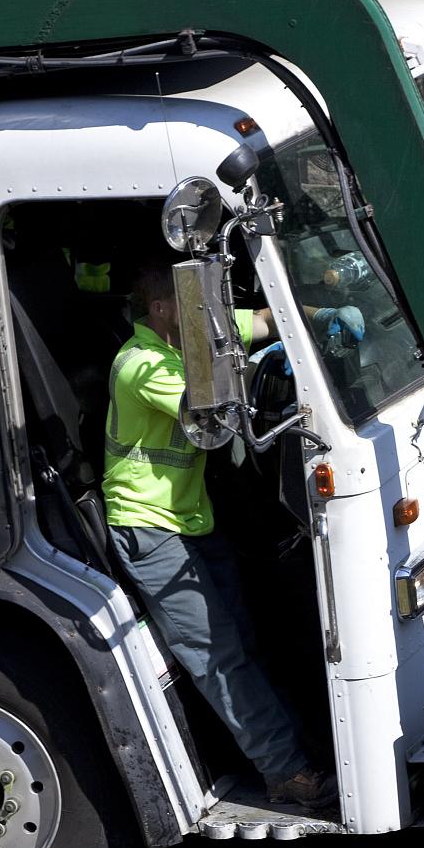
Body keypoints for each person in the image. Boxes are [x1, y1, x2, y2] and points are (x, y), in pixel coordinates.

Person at [102, 263, 339, 811]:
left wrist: (316, 316)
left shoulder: (191, 330)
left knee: (243, 647)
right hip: (149, 526)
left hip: (191, 519)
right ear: (162, 310)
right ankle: (287, 774)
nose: (206, 321)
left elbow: (259, 319)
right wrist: (260, 368)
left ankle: (297, 752)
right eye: (192, 311)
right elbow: (214, 406)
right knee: (219, 657)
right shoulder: (142, 365)